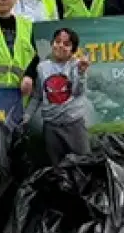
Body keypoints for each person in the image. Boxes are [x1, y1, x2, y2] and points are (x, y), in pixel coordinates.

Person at [29, 28, 91, 165]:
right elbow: (37, 96)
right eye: (57, 42)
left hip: (74, 126)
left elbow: (78, 92)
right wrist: (26, 117)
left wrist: (81, 73)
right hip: (51, 127)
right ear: (52, 44)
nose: (61, 46)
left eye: (66, 44)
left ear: (73, 50)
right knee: (56, 169)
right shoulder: (42, 68)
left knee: (84, 166)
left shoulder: (77, 65)